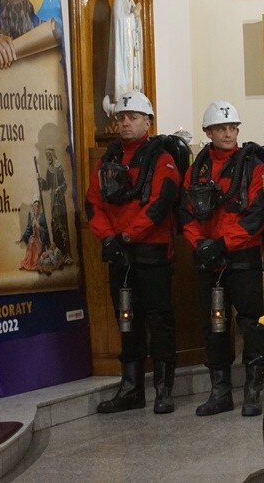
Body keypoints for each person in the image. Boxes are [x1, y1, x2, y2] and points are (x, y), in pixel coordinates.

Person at [85, 90, 181, 415]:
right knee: (126, 320)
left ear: (148, 122)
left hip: (151, 252)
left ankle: (163, 389)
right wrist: (109, 237)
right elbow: (92, 204)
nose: (126, 122)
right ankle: (131, 389)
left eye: (134, 117)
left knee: (159, 318)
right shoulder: (107, 160)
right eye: (122, 118)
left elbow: (160, 204)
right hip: (118, 254)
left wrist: (126, 235)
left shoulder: (162, 159)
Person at [181, 101, 264, 417]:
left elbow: (256, 216)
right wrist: (201, 244)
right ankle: (220, 392)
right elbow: (186, 213)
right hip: (210, 259)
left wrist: (222, 244)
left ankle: (252, 391)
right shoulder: (196, 170)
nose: (228, 133)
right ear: (208, 131)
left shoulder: (254, 165)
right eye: (221, 128)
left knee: (252, 324)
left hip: (243, 257)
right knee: (214, 326)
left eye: (233, 127)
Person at [103, 0, 144, 116]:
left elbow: (136, 27)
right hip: (123, 47)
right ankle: (121, 101)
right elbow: (120, 23)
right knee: (124, 74)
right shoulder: (119, 0)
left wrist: (136, 17)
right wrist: (134, 15)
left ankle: (133, 99)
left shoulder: (131, 2)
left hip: (132, 48)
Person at [39, 146, 70, 257]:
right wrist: (41, 181)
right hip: (53, 199)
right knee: (54, 223)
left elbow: (65, 184)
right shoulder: (49, 168)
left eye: (49, 155)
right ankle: (58, 252)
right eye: (46, 156)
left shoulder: (59, 167)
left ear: (52, 154)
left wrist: (59, 189)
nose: (47, 157)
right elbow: (47, 186)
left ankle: (66, 253)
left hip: (60, 201)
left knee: (61, 223)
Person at [20, 195, 48, 272]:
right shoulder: (31, 216)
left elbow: (46, 231)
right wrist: (23, 236)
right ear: (32, 207)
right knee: (31, 241)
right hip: (34, 237)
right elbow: (29, 229)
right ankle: (28, 263)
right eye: (35, 206)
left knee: (34, 244)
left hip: (40, 239)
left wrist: (39, 227)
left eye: (38, 206)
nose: (37, 208)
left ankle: (35, 263)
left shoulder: (42, 216)